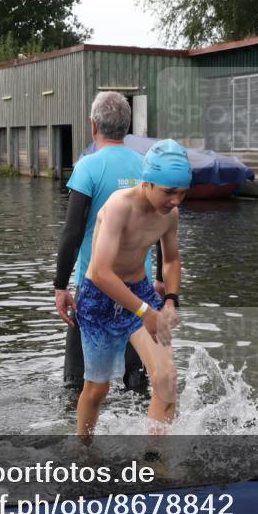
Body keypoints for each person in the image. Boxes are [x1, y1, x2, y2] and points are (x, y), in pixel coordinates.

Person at [75, 139, 190, 443]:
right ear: (148, 182)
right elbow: (100, 272)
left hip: (140, 292)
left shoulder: (169, 214)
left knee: (166, 378)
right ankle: (83, 452)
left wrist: (170, 301)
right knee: (97, 389)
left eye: (182, 192)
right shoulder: (119, 206)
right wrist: (146, 312)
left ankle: (154, 464)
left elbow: (173, 259)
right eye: (169, 192)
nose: (176, 201)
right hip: (99, 299)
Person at [54, 91, 160, 394]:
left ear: (92, 126)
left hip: (94, 283)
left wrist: (60, 286)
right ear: (127, 128)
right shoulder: (146, 168)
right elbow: (163, 222)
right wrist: (163, 280)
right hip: (139, 285)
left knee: (77, 383)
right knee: (137, 381)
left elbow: (72, 232)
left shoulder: (88, 167)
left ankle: (77, 433)